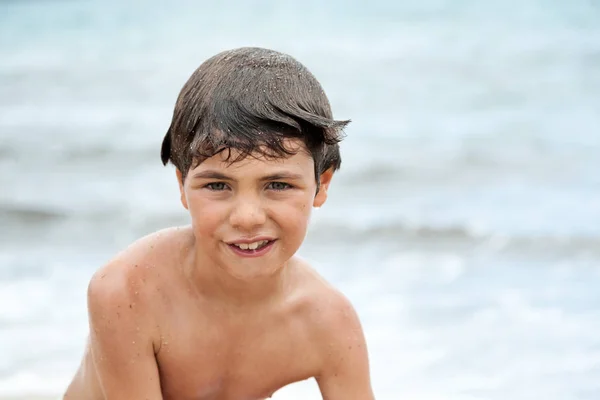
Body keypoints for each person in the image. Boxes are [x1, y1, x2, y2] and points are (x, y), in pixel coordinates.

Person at [64, 47, 374, 400]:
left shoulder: (329, 323)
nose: (247, 217)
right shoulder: (128, 291)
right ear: (182, 186)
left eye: (278, 185)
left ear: (323, 185)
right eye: (217, 185)